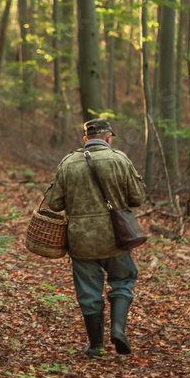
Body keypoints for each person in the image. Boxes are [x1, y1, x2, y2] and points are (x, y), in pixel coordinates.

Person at [44, 118, 146, 357]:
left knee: (89, 292)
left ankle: (96, 346)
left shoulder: (69, 163)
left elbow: (53, 202)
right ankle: (118, 330)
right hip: (117, 239)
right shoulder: (120, 159)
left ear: (85, 139)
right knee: (122, 281)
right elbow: (137, 198)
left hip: (81, 241)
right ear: (109, 138)